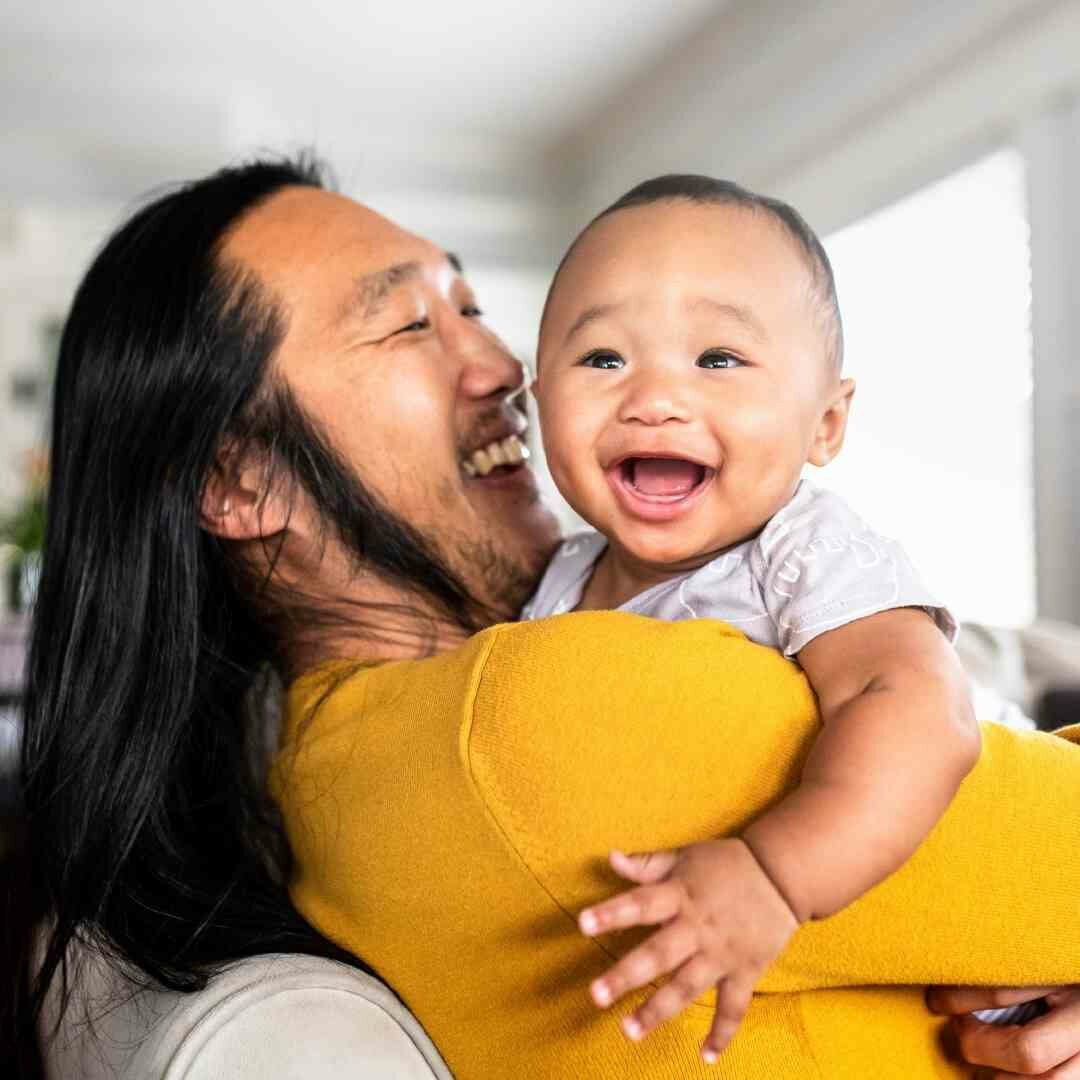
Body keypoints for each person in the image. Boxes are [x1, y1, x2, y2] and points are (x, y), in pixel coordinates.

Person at [5, 154, 1080, 1079]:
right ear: (240, 481)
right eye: (410, 324)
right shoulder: (542, 710)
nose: (506, 366)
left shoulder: (331, 771)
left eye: (469, 307)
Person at [523, 174, 978, 1060]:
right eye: (603, 359)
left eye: (719, 359)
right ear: (541, 398)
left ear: (827, 422)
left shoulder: (801, 548)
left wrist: (775, 874)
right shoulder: (557, 582)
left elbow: (922, 705)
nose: (653, 398)